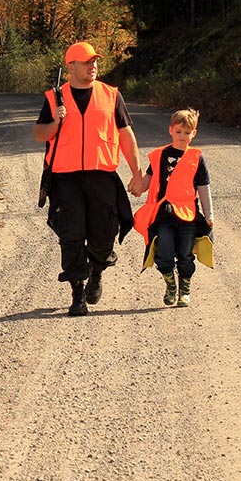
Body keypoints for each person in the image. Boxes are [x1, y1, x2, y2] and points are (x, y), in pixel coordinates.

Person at [33, 41, 144, 317]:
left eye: (95, 61)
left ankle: (97, 271)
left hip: (101, 177)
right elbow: (40, 134)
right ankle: (77, 293)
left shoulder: (111, 95)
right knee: (71, 235)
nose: (93, 66)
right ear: (71, 66)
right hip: (65, 180)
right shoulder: (54, 98)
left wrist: (137, 173)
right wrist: (56, 122)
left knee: (103, 234)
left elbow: (126, 135)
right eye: (86, 62)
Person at [132, 108, 215, 307]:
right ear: (171, 130)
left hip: (188, 216)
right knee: (165, 251)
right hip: (164, 214)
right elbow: (149, 180)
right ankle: (170, 284)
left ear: (194, 133)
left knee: (185, 254)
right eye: (178, 132)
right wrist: (138, 186)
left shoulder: (196, 158)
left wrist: (209, 214)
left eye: (187, 133)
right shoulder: (161, 155)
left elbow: (203, 188)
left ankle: (184, 289)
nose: (182, 136)